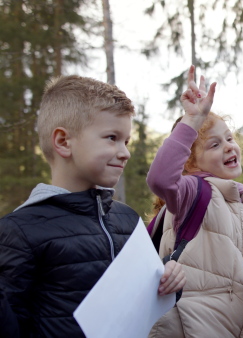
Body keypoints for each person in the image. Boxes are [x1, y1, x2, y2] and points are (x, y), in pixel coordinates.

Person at [0, 75, 185, 337]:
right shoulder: (19, 231)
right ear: (63, 142)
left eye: (126, 141)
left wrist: (168, 280)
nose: (125, 152)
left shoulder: (127, 219)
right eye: (112, 137)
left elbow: (142, 301)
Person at [147, 65, 243, 338]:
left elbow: (227, 279)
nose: (229, 146)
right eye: (214, 144)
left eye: (230, 138)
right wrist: (192, 121)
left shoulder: (238, 204)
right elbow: (161, 179)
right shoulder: (192, 190)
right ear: (188, 162)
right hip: (196, 328)